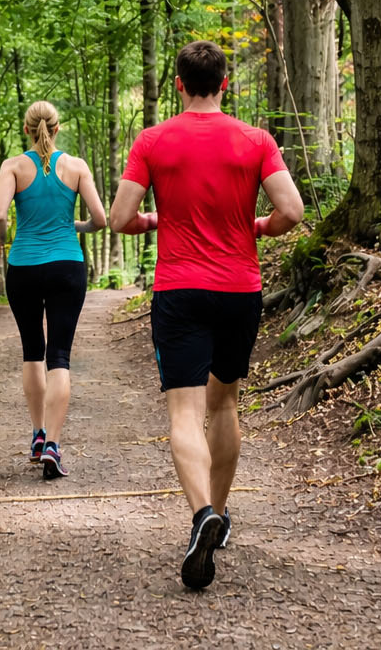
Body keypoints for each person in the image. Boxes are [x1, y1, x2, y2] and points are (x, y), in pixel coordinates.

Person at [109, 40, 304, 590]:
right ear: (224, 84)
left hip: (180, 290)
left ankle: (201, 517)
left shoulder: (153, 141)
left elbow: (120, 218)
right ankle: (219, 512)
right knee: (225, 404)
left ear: (178, 85)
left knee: (182, 412)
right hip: (240, 289)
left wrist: (153, 222)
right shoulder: (255, 139)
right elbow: (291, 210)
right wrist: (260, 228)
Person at [0, 100, 109, 479]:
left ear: (26, 130)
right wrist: (76, 227)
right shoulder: (75, 167)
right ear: (57, 129)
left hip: (23, 267)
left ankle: (38, 435)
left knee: (31, 351)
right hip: (66, 267)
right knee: (59, 354)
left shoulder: (12, 166)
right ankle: (54, 447)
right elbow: (101, 219)